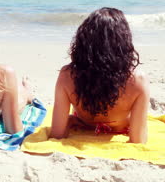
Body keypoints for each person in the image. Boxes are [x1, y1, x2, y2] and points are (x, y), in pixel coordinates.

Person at [49, 7, 150, 143]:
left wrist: (70, 121)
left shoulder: (67, 75)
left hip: (85, 124)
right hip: (119, 126)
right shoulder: (137, 80)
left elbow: (57, 134)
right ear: (124, 41)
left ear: (83, 40)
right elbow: (138, 141)